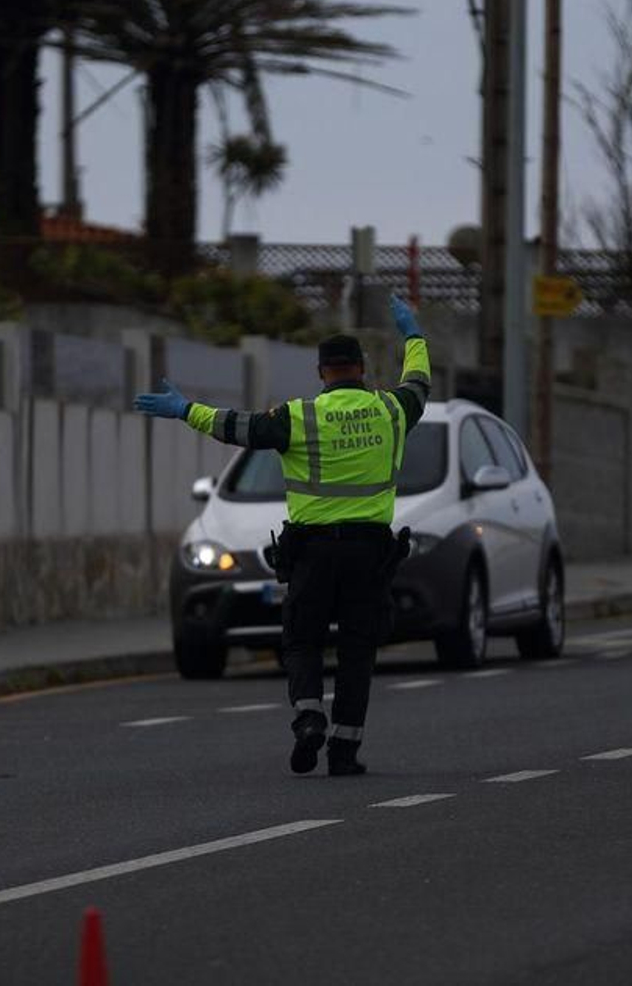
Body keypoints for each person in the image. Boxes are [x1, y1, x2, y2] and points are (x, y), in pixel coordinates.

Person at [134, 293, 431, 775]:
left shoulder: (298, 417)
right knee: (357, 651)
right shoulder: (392, 411)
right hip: (368, 555)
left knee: (301, 640)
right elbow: (418, 384)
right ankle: (344, 751)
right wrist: (413, 336)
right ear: (362, 368)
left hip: (313, 553)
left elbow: (236, 427)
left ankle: (309, 716)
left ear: (321, 373)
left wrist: (185, 409)